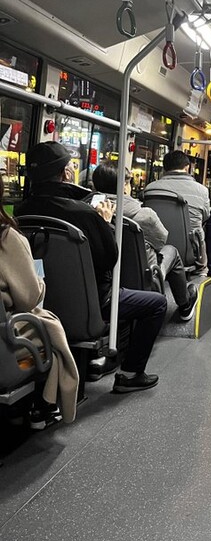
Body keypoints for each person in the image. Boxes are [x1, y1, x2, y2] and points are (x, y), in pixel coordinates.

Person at [15, 142, 167, 393]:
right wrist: (105, 222)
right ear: (65, 173)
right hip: (92, 302)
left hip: (37, 299)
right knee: (156, 303)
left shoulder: (22, 210)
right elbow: (109, 259)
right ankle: (130, 373)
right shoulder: (85, 213)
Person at [0, 175, 79, 429]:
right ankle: (44, 406)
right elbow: (28, 298)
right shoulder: (7, 238)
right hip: (7, 338)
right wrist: (39, 281)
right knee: (49, 331)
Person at [91, 162, 198, 321]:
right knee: (171, 252)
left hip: (100, 278)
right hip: (142, 275)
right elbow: (160, 241)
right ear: (124, 186)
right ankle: (185, 305)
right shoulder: (144, 215)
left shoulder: (87, 211)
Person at [144, 150, 210, 276]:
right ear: (187, 167)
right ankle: (201, 274)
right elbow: (205, 217)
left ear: (164, 168)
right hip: (190, 252)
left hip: (154, 249)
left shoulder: (150, 189)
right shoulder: (201, 191)